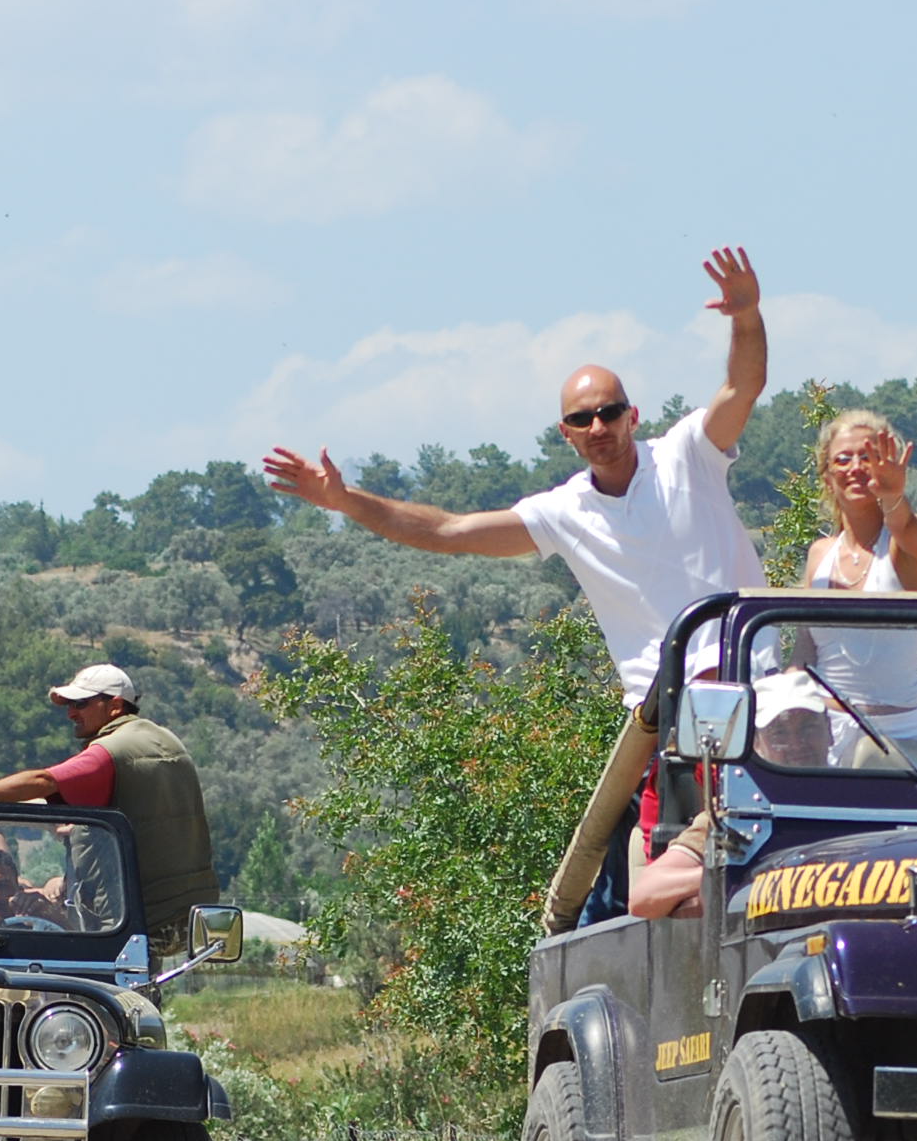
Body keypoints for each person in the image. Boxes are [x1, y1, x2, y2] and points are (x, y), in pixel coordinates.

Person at [266, 250, 768, 916]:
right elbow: (447, 532)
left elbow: (743, 387)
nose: (599, 427)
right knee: (614, 903)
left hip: (748, 693)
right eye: (583, 419)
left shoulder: (688, 454)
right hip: (662, 723)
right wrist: (346, 501)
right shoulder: (565, 512)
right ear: (566, 433)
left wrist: (746, 316)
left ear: (633, 415)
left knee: (758, 840)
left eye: (610, 412)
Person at [0, 663, 216, 948]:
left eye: (80, 703)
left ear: (115, 706)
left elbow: (44, 780)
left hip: (129, 923)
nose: (71, 714)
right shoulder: (168, 742)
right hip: (184, 915)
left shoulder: (109, 752)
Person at [791, 412, 917, 774]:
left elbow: (907, 529)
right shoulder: (820, 555)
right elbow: (804, 653)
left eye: (867, 457)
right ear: (827, 475)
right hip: (825, 737)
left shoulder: (904, 544)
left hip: (904, 740)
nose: (855, 467)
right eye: (843, 458)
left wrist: (893, 497)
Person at [630, 673, 844, 919]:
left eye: (808, 727)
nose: (797, 743)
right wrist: (739, 874)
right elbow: (645, 896)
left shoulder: (863, 800)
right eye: (779, 733)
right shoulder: (738, 815)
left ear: (828, 731)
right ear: (755, 742)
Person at [0, 847, 72, 930]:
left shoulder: (39, 932)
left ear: (18, 891)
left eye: (2, 887)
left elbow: (80, 949)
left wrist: (52, 916)